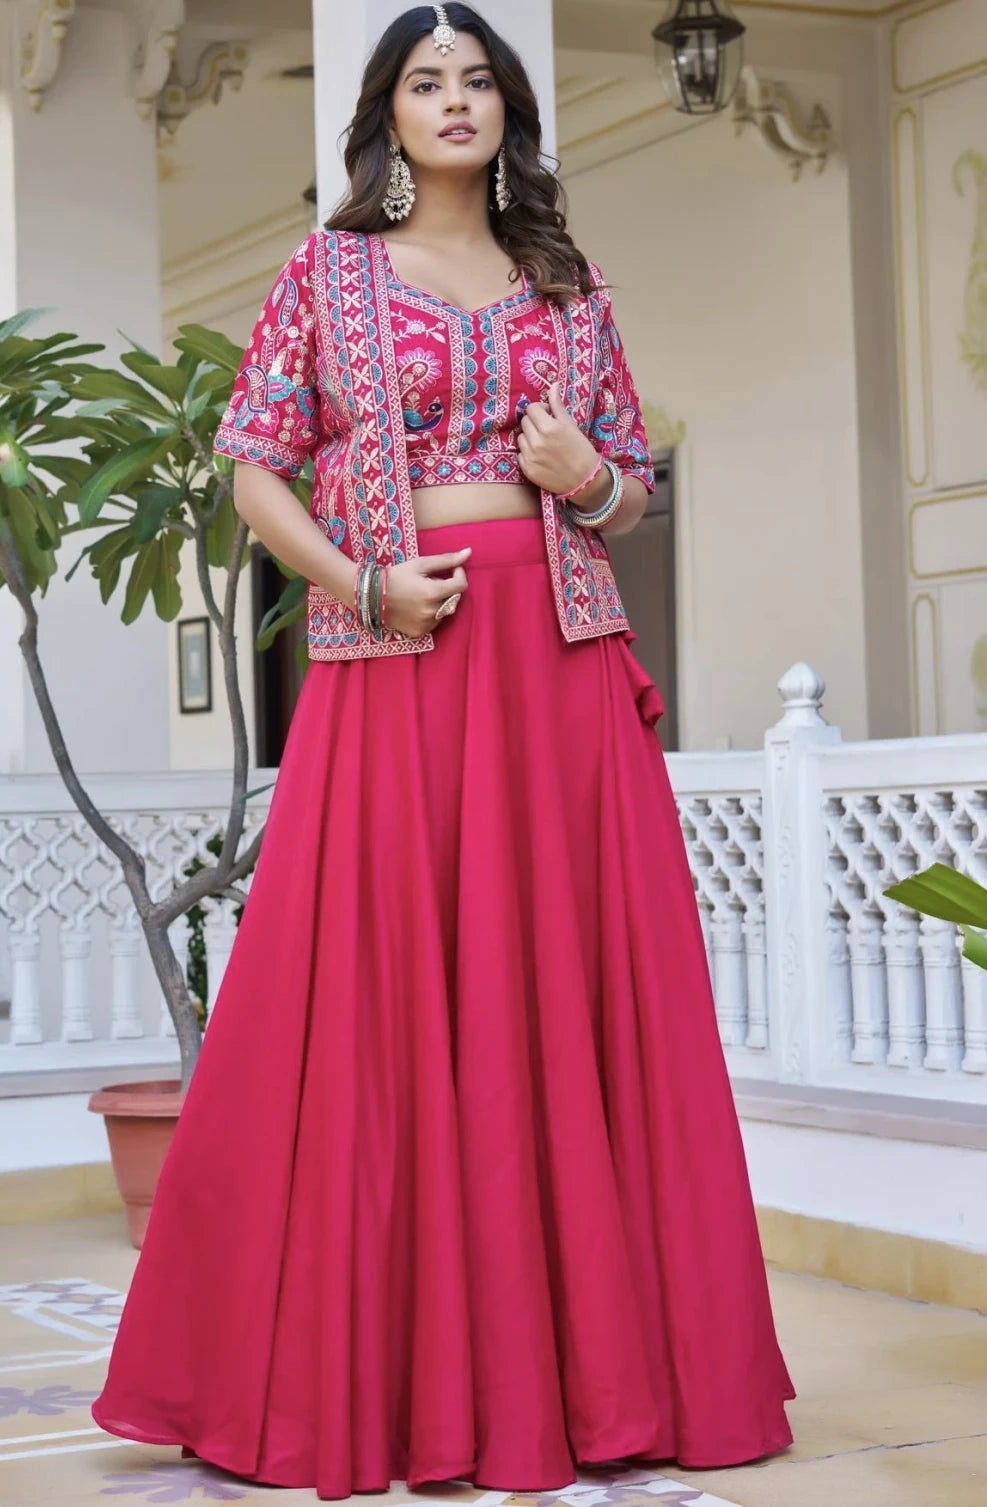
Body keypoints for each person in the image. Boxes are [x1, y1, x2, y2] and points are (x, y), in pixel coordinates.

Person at [91, 5, 795, 1498]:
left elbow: (629, 492)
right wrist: (360, 585)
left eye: (480, 80)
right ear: (388, 116)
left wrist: (590, 473)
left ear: (508, 110)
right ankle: (390, 1387)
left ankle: (599, 1382)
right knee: (383, 1002)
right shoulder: (326, 273)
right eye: (428, 82)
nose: (457, 101)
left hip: (561, 668)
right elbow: (251, 470)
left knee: (565, 996)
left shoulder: (567, 279)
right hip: (398, 655)